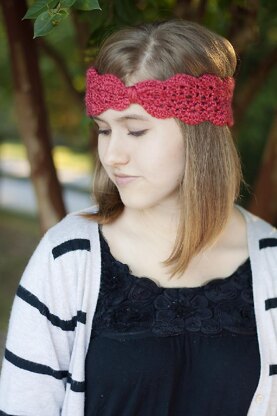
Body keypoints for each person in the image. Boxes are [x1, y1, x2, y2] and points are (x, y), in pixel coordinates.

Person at [0, 19, 276, 416]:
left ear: (199, 133)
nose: (112, 155)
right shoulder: (68, 258)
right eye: (104, 130)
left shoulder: (271, 261)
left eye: (136, 131)